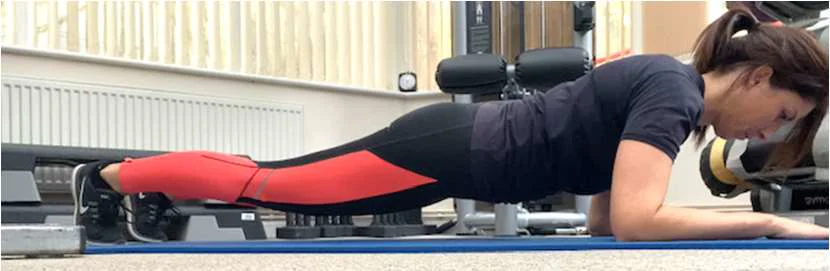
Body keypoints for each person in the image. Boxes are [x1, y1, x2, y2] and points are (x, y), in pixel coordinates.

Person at [72, 7, 828, 244]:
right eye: (783, 114)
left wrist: (709, 223)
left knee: (276, 178)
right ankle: (106, 179)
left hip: (453, 147)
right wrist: (761, 226)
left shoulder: (670, 97)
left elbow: (610, 220)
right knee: (267, 186)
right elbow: (637, 218)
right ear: (758, 75)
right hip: (442, 149)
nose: (767, 134)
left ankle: (148, 189)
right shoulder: (670, 92)